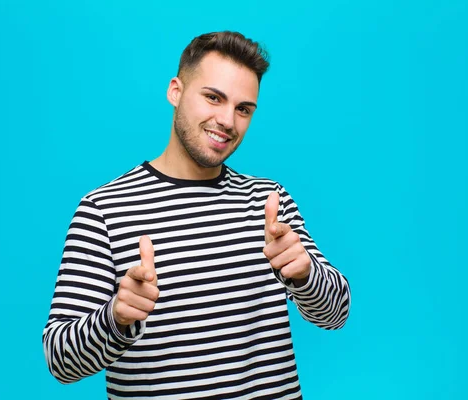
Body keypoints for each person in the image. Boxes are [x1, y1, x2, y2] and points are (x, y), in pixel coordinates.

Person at [43, 31, 351, 399]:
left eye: (243, 109)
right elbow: (60, 361)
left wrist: (305, 275)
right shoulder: (104, 210)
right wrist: (116, 318)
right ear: (176, 91)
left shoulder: (269, 202)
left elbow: (335, 315)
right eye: (213, 97)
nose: (227, 121)